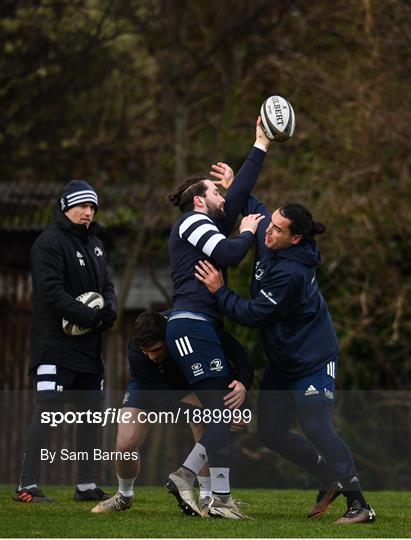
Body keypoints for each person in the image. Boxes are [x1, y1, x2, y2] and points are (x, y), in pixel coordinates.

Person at [195, 201, 376, 525]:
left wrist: (219, 292)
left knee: (317, 426)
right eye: (271, 223)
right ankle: (327, 476)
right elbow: (256, 205)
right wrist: (239, 177)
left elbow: (254, 314)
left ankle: (360, 506)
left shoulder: (292, 272)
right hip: (284, 360)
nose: (268, 230)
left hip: (313, 360)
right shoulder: (271, 231)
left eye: (277, 228)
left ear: (294, 239)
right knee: (270, 432)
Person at [165, 119, 271, 519]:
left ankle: (203, 487)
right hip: (190, 324)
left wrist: (260, 144)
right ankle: (208, 491)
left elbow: (239, 194)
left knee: (222, 410)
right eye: (214, 192)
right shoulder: (192, 222)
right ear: (197, 199)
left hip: (204, 325)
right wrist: (245, 233)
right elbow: (228, 254)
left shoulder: (206, 221)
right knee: (219, 412)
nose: (222, 197)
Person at [91, 310, 253, 517]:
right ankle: (124, 495)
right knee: (125, 444)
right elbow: (165, 402)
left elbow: (239, 356)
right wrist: (217, 416)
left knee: (202, 424)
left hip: (185, 384)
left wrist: (241, 386)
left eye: (157, 349)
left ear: (168, 336)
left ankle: (206, 497)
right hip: (149, 387)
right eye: (146, 351)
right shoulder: (136, 353)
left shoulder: (191, 330)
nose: (152, 356)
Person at [14, 180, 117, 503]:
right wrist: (90, 317)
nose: (87, 212)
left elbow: (106, 285)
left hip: (88, 351)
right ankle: (26, 485)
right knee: (49, 412)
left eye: (92, 207)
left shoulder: (96, 244)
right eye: (81, 206)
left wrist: (110, 310)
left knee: (90, 415)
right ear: (65, 207)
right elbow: (50, 291)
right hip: (54, 347)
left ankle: (86, 485)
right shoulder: (49, 242)